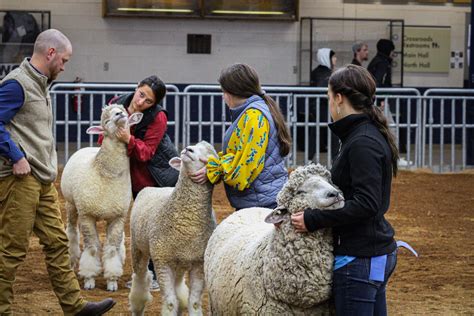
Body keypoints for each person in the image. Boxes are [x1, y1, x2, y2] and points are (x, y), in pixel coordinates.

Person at [0, 29, 115, 315]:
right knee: (11, 249)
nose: (64, 66)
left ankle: (75, 307)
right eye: (63, 60)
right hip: (19, 180)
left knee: (57, 242)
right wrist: (16, 156)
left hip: (41, 179)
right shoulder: (17, 84)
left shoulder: (39, 84)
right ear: (50, 53)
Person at [291, 64, 399, 316]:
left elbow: (367, 203)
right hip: (369, 252)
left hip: (359, 256)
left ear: (339, 98)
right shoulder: (362, 135)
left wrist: (313, 219)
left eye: (328, 97)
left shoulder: (362, 142)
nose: (329, 104)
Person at [101, 75, 179, 290]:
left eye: (148, 101)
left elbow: (147, 153)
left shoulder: (158, 117)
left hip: (155, 178)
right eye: (141, 94)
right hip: (128, 176)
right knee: (137, 224)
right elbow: (104, 135)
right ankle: (143, 272)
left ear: (155, 104)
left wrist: (128, 138)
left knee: (153, 226)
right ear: (136, 88)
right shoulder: (117, 105)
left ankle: (153, 275)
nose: (141, 102)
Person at [190, 63, 292, 210]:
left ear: (231, 92)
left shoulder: (255, 117)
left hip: (262, 204)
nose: (223, 96)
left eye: (223, 91)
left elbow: (243, 172)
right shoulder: (254, 112)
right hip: (262, 199)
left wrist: (216, 168)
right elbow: (241, 155)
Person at [308, 48, 339, 159]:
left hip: (318, 106)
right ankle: (335, 158)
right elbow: (323, 88)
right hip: (322, 106)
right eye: (333, 57)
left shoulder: (318, 71)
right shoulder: (324, 73)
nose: (335, 59)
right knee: (332, 130)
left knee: (316, 131)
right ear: (327, 58)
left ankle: (309, 157)